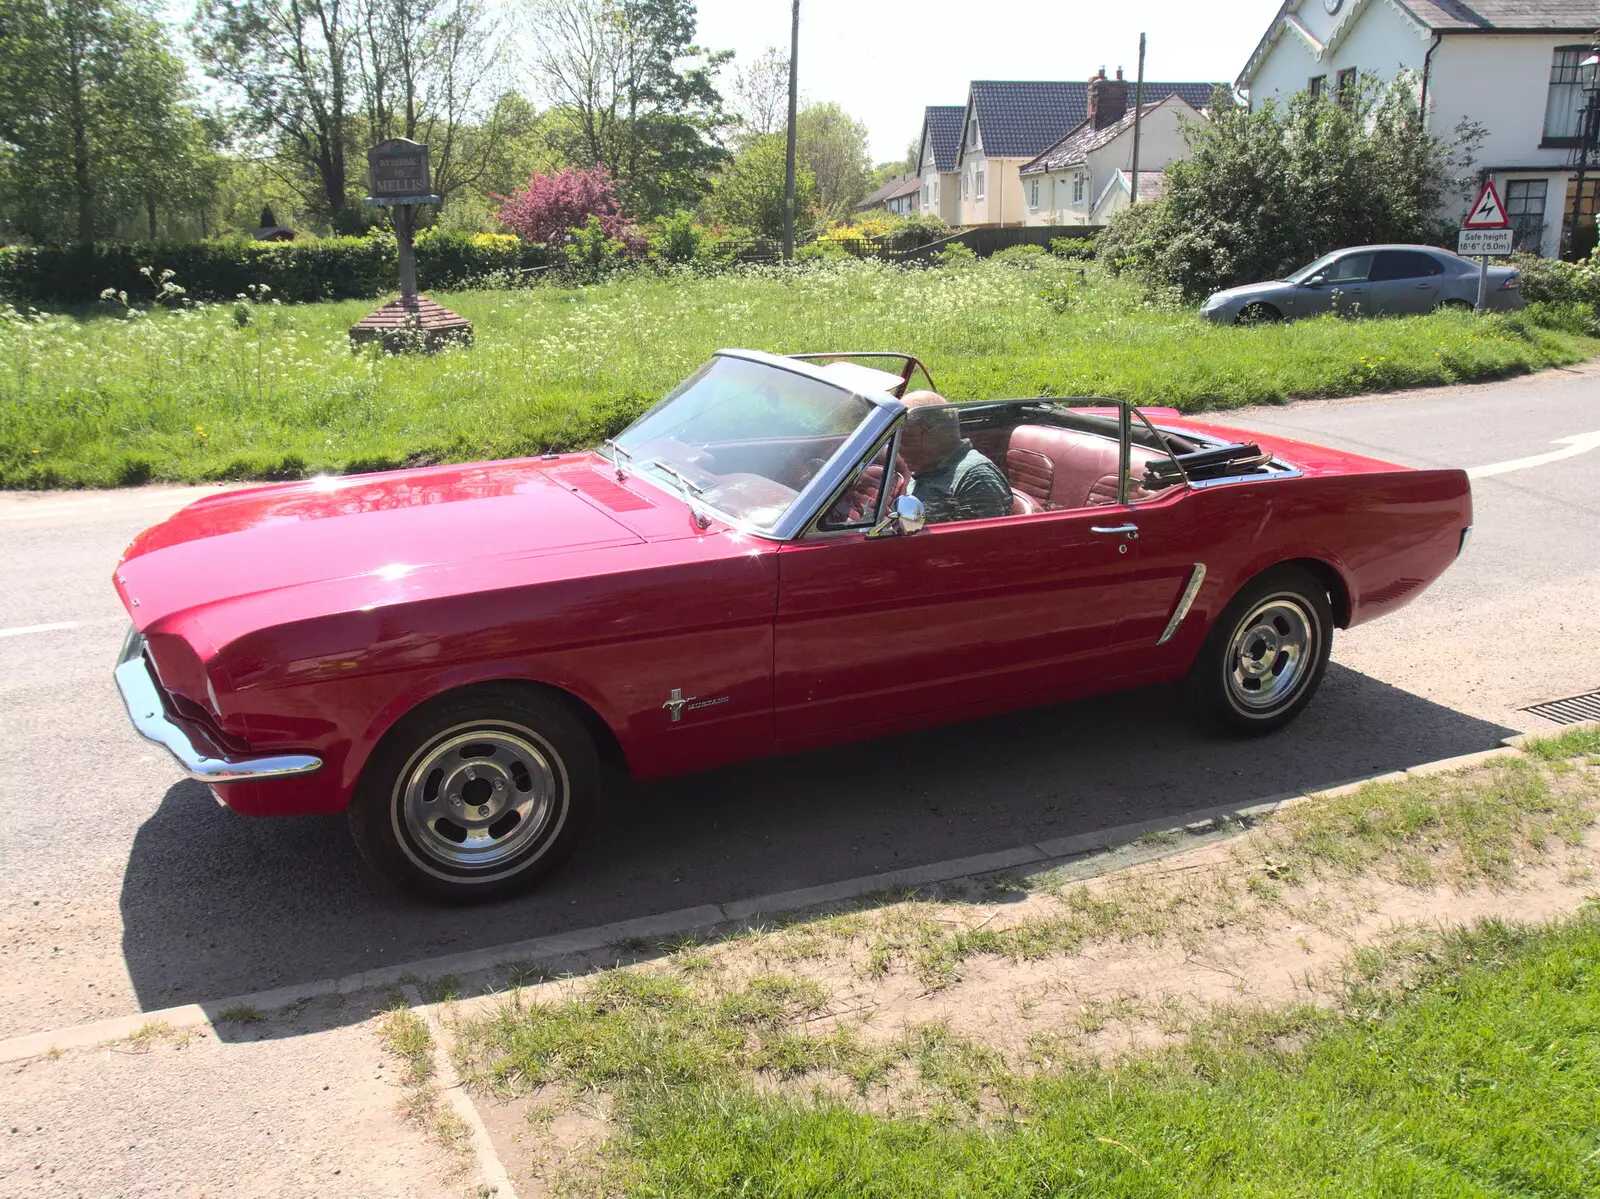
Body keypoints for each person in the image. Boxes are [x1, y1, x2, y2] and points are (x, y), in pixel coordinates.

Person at [898, 390, 1013, 524]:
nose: (897, 448)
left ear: (926, 431)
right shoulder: (926, 467)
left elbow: (978, 542)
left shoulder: (976, 479)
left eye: (902, 436)